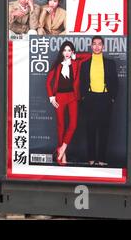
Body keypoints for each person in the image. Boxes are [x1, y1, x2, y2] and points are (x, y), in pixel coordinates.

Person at [46, 41, 91, 165]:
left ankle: (62, 148)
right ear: (62, 52)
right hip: (59, 97)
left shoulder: (76, 62)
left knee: (73, 124)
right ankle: (63, 155)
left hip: (72, 96)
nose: (67, 53)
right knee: (61, 126)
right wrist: (51, 97)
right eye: (65, 50)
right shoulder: (57, 65)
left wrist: (76, 56)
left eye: (69, 50)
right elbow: (48, 82)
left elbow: (89, 56)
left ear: (72, 52)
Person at [80, 36, 118, 166]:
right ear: (91, 46)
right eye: (94, 44)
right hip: (90, 98)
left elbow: (115, 82)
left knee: (104, 130)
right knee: (90, 129)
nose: (97, 46)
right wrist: (84, 97)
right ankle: (91, 158)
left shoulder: (110, 63)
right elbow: (81, 82)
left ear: (103, 47)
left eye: (99, 44)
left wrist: (112, 97)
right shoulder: (85, 64)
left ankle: (101, 159)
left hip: (105, 98)